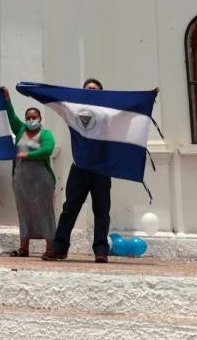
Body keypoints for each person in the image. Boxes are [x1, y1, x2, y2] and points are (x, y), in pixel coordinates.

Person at [43, 77, 112, 263]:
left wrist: (147, 97)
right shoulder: (74, 111)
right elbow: (56, 102)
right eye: (88, 88)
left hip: (101, 169)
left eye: (95, 89)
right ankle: (59, 248)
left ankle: (101, 250)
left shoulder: (109, 112)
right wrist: (34, 89)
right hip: (80, 167)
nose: (91, 91)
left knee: (102, 211)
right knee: (69, 209)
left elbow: (129, 111)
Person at [1, 87, 56, 257]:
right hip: (21, 181)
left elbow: (48, 150)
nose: (31, 120)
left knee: (45, 213)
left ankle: (50, 248)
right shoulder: (20, 130)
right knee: (23, 213)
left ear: (40, 118)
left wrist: (28, 154)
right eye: (28, 118)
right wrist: (7, 99)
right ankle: (24, 248)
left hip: (42, 181)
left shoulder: (46, 133)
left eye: (34, 117)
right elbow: (11, 117)